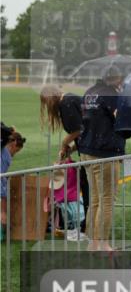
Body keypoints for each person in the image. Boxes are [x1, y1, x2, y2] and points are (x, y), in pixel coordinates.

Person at [78, 66, 126, 252]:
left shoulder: (90, 92)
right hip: (105, 152)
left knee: (95, 199)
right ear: (116, 77)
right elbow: (121, 120)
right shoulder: (112, 95)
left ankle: (93, 243)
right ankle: (102, 243)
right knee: (106, 199)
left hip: (87, 150)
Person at [40, 85, 91, 233]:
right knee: (86, 188)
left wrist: (64, 144)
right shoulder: (67, 102)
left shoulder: (66, 103)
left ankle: (88, 227)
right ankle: (86, 225)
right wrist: (70, 150)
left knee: (89, 190)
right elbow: (82, 132)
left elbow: (78, 130)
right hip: (87, 149)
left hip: (92, 150)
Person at [1, 131, 25, 239]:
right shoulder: (5, 155)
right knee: (3, 213)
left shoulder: (4, 152)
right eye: (16, 151)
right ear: (14, 144)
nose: (15, 154)